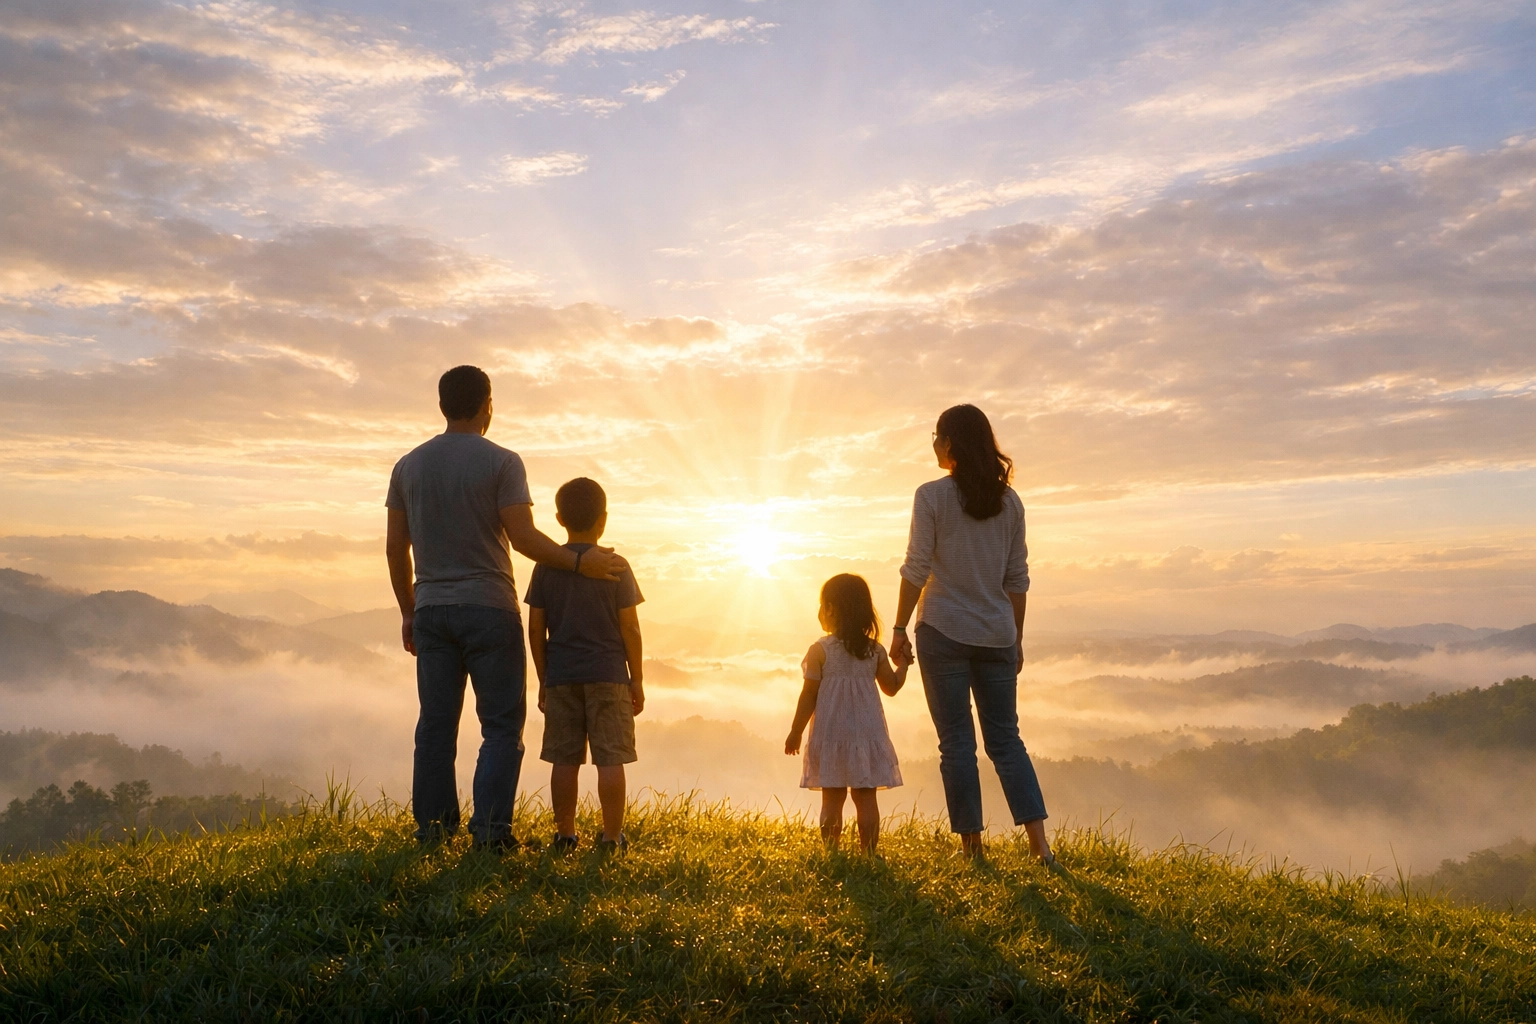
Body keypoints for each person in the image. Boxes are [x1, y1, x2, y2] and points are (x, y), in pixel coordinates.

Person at [385, 366, 625, 850]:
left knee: (434, 727)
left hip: (431, 609)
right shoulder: (502, 462)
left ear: (442, 405)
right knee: (499, 727)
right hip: (489, 609)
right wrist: (581, 563)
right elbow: (524, 538)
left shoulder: (407, 466)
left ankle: (434, 831)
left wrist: (409, 611)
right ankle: (491, 834)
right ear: (487, 405)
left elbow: (396, 549)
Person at [888, 404, 1053, 864]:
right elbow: (1017, 579)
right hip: (998, 634)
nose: (933, 445)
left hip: (942, 630)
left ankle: (973, 850)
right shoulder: (1010, 503)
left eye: (936, 436)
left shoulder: (931, 496)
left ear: (951, 442)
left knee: (957, 743)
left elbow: (916, 567)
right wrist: (1016, 638)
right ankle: (1040, 847)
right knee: (1007, 741)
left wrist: (898, 627)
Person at [526, 477, 645, 854]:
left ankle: (565, 835)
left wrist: (543, 678)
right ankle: (611, 837)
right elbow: (630, 627)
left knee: (564, 759)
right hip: (609, 675)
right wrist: (637, 679)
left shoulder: (546, 567)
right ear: (603, 519)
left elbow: (536, 627)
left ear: (560, 519)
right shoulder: (617, 566)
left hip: (562, 676)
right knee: (610, 758)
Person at [785, 573, 907, 853]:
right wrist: (904, 666)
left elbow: (808, 695)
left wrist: (796, 731)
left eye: (821, 604)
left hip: (831, 734)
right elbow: (891, 687)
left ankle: (832, 852)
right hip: (867, 734)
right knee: (866, 799)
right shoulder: (874, 650)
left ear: (830, 609)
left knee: (832, 799)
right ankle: (869, 853)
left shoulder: (820, 651)